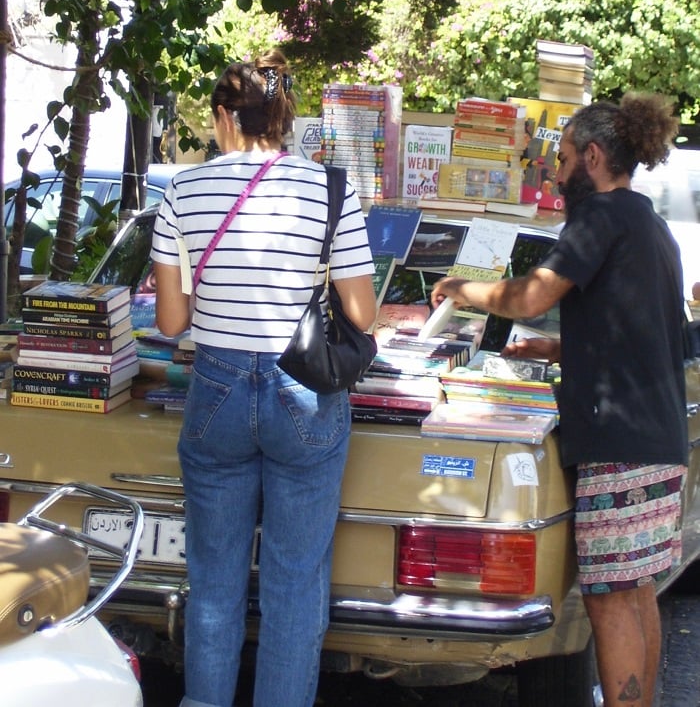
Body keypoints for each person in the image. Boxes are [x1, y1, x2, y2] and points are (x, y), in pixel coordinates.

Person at [430, 93, 688, 707]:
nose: (555, 169)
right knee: (636, 589)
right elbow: (649, 338)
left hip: (618, 446)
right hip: (657, 438)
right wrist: (555, 353)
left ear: (593, 157)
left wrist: (462, 288)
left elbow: (530, 297)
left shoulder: (598, 217)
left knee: (608, 598)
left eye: (565, 157)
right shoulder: (651, 226)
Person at [150, 48, 377, 707]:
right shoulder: (330, 188)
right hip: (304, 393)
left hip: (216, 389)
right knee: (294, 585)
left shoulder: (182, 190)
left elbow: (170, 320)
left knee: (214, 584)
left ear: (225, 116)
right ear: (284, 117)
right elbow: (362, 312)